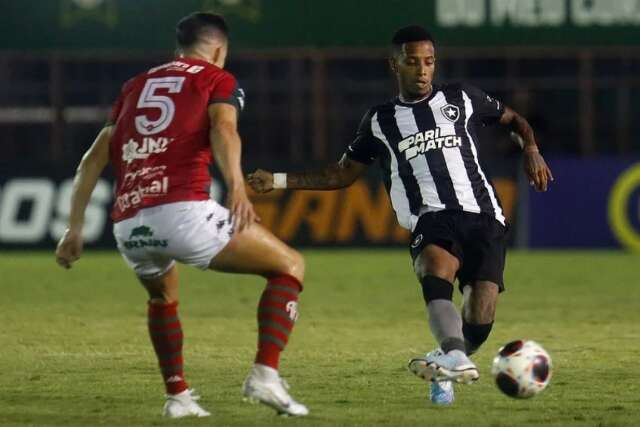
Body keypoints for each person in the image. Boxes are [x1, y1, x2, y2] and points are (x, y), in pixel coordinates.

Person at [248, 25, 553, 405]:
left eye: (429, 62)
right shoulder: (380, 120)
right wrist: (277, 179)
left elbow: (514, 120)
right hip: (430, 217)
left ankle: (447, 360)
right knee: (434, 268)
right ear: (395, 65)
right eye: (412, 63)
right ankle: (453, 354)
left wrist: (531, 149)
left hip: (484, 215)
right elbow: (340, 174)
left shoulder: (462, 97)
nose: (423, 71)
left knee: (481, 316)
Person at [55, 12, 309, 418]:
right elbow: (224, 129)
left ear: (179, 47)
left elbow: (91, 161)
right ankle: (264, 374)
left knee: (163, 297)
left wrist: (74, 228)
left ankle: (178, 396)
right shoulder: (216, 79)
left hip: (128, 222)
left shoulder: (134, 86)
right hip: (183, 212)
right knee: (290, 266)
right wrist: (237, 188)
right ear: (220, 49)